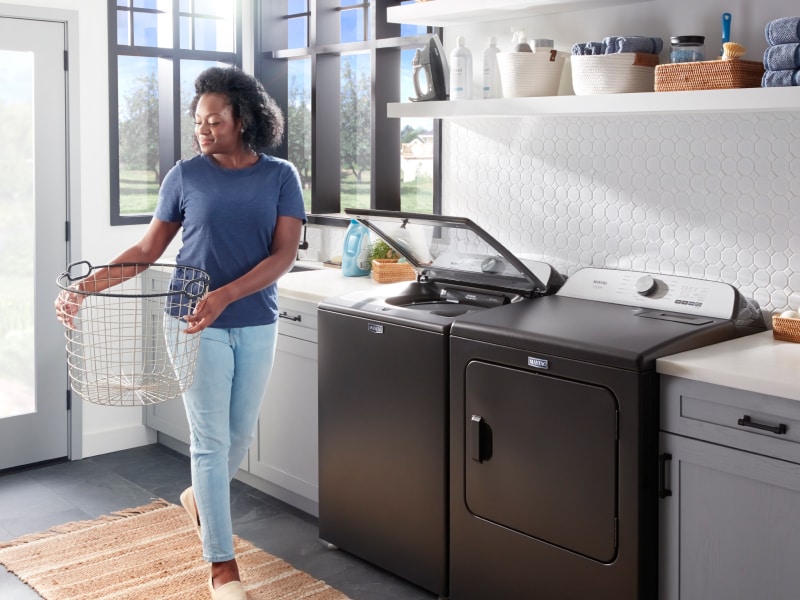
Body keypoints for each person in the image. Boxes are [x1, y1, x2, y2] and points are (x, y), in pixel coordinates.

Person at [55, 66, 306, 600]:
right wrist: (85, 288)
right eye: (198, 121)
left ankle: (198, 499)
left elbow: (283, 255)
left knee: (239, 437)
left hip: (255, 318)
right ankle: (222, 566)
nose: (203, 129)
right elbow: (147, 250)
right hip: (191, 320)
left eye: (215, 120)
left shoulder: (281, 176)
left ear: (244, 119)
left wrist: (227, 295)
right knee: (211, 442)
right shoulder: (186, 176)